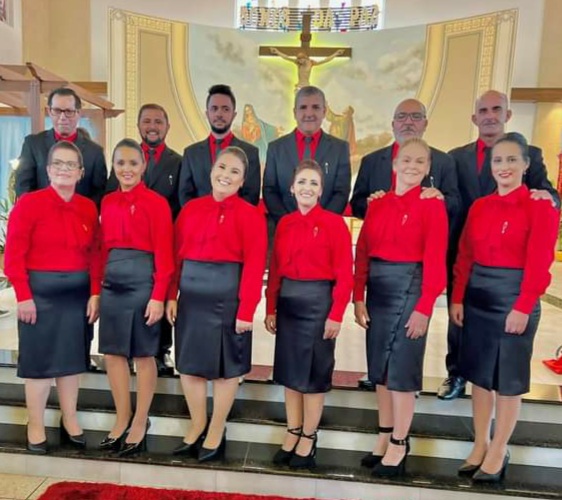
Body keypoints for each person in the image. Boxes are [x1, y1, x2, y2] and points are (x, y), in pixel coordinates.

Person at [450, 132, 558, 482]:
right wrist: (458, 297)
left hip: (514, 300)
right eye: (498, 160)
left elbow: (540, 262)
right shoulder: (480, 206)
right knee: (480, 378)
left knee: (507, 381)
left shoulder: (540, 206)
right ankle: (480, 443)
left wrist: (523, 305)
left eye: (512, 159)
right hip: (478, 299)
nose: (504, 166)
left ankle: (499, 449)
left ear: (526, 164)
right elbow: (465, 255)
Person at [440, 90, 560, 401]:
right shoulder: (456, 156)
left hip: (510, 253)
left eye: (496, 109)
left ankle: (494, 386)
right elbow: (451, 198)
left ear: (507, 115)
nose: (490, 115)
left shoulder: (529, 153)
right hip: (467, 250)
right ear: (474, 118)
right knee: (459, 320)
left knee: (505, 342)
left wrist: (550, 197)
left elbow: (546, 192)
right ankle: (457, 373)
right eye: (483, 110)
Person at [354, 137, 448, 477]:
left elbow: (436, 260)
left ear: (428, 168)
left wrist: (424, 307)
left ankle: (400, 441)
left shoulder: (432, 205)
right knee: (379, 369)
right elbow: (363, 251)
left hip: (411, 289)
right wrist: (358, 296)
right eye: (406, 160)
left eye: (420, 161)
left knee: (402, 371)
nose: (412, 166)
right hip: (378, 292)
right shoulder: (378, 203)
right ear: (394, 164)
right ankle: (384, 435)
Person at [350, 98, 459, 390]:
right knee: (379, 358)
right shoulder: (372, 161)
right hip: (380, 279)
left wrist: (438, 197)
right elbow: (358, 204)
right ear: (393, 123)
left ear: (425, 123)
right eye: (402, 116)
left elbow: (456, 203)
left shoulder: (443, 163)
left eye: (415, 116)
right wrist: (374, 202)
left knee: (405, 362)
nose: (408, 122)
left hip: (414, 276)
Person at [167, 146, 267, 463]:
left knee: (226, 370)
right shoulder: (190, 209)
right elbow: (175, 257)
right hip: (190, 300)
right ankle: (197, 424)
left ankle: (216, 428)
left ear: (243, 180)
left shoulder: (251, 215)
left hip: (228, 301)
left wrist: (246, 310)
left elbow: (254, 266)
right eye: (222, 167)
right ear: (212, 171)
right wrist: (171, 294)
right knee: (189, 366)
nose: (226, 175)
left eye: (234, 171)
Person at [4, 141, 101, 454]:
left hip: (76, 297)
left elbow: (95, 254)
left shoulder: (88, 207)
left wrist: (95, 292)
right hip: (38, 298)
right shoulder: (29, 204)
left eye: (71, 164)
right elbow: (13, 255)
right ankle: (35, 424)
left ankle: (69, 419)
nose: (64, 169)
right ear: (47, 170)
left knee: (71, 361)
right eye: (58, 163)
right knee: (39, 363)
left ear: (80, 172)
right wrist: (23, 295)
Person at [265, 159, 353, 469]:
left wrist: (336, 314)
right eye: (302, 181)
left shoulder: (334, 223)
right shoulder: (285, 224)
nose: (307, 187)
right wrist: (271, 306)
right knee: (290, 373)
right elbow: (276, 269)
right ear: (292, 188)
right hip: (288, 304)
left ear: (321, 190)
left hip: (318, 305)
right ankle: (293, 430)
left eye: (313, 183)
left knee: (313, 374)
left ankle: (309, 435)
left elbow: (345, 274)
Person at [98, 139, 174, 457]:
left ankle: (141, 421)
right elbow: (101, 250)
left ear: (144, 166)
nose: (126, 169)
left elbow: (165, 254)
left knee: (143, 355)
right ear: (113, 167)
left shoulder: (157, 203)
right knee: (113, 354)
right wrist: (96, 290)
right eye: (120, 163)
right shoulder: (107, 202)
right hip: (112, 283)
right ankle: (122, 418)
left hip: (143, 282)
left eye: (133, 163)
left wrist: (158, 296)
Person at [106, 104, 181, 376]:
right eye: (147, 121)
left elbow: (182, 199)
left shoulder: (178, 161)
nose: (152, 126)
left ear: (167, 126)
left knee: (155, 307)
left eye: (158, 121)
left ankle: (162, 350)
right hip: (125, 245)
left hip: (162, 237)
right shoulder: (125, 157)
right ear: (138, 125)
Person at [263, 86, 351, 225]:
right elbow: (270, 190)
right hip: (285, 229)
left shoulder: (340, 149)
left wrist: (320, 224)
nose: (309, 113)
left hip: (324, 230)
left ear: (324, 111)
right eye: (303, 107)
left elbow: (341, 192)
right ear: (295, 112)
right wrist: (289, 223)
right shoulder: (276, 148)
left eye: (315, 107)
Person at [15, 87, 107, 208]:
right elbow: (23, 186)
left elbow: (98, 194)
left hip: (78, 216)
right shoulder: (33, 144)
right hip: (40, 215)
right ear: (49, 111)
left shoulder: (95, 152)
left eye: (69, 111)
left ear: (78, 113)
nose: (63, 117)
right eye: (57, 111)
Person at [179, 84, 261, 207]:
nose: (219, 114)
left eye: (225, 109)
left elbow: (251, 196)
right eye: (214, 108)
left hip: (236, 218)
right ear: (207, 114)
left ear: (234, 115)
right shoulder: (191, 153)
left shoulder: (250, 152)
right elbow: (185, 194)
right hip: (198, 217)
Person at [269, 48, 345, 91]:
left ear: (305, 58)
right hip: (299, 87)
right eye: (298, 59)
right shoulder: (298, 63)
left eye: (301, 59)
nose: (300, 61)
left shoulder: (310, 63)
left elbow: (325, 60)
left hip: (306, 86)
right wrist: (277, 52)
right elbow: (286, 57)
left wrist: (336, 53)